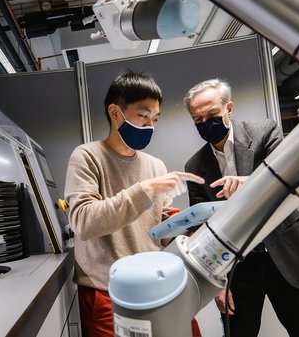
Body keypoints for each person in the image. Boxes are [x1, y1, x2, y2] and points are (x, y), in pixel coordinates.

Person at [183, 78, 299, 337]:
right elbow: (200, 230)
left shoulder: (263, 132)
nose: (206, 123)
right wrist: (215, 284)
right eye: (198, 120)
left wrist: (248, 183)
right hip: (237, 267)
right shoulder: (195, 166)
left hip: (284, 253)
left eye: (213, 114)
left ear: (229, 108)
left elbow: (292, 177)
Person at [64, 70, 204, 337]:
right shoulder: (86, 157)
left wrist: (187, 225)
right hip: (109, 292)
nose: (150, 125)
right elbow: (83, 222)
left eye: (155, 118)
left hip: (157, 283)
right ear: (115, 113)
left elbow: (160, 232)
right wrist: (145, 188)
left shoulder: (155, 165)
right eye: (143, 115)